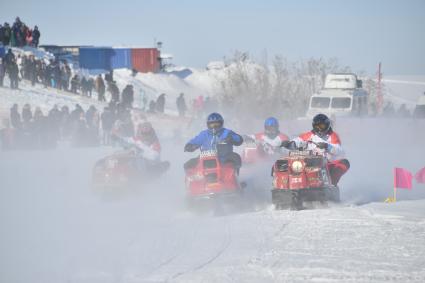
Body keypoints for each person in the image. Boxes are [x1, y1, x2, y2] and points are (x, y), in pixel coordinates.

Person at [281, 113, 350, 186]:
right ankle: (284, 184)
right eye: (317, 127)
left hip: (326, 163)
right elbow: (297, 141)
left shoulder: (332, 136)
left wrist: (327, 146)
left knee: (344, 163)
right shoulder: (308, 135)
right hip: (307, 162)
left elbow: (339, 150)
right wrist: (289, 144)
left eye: (322, 126)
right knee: (282, 164)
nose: (319, 129)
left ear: (327, 125)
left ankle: (331, 184)